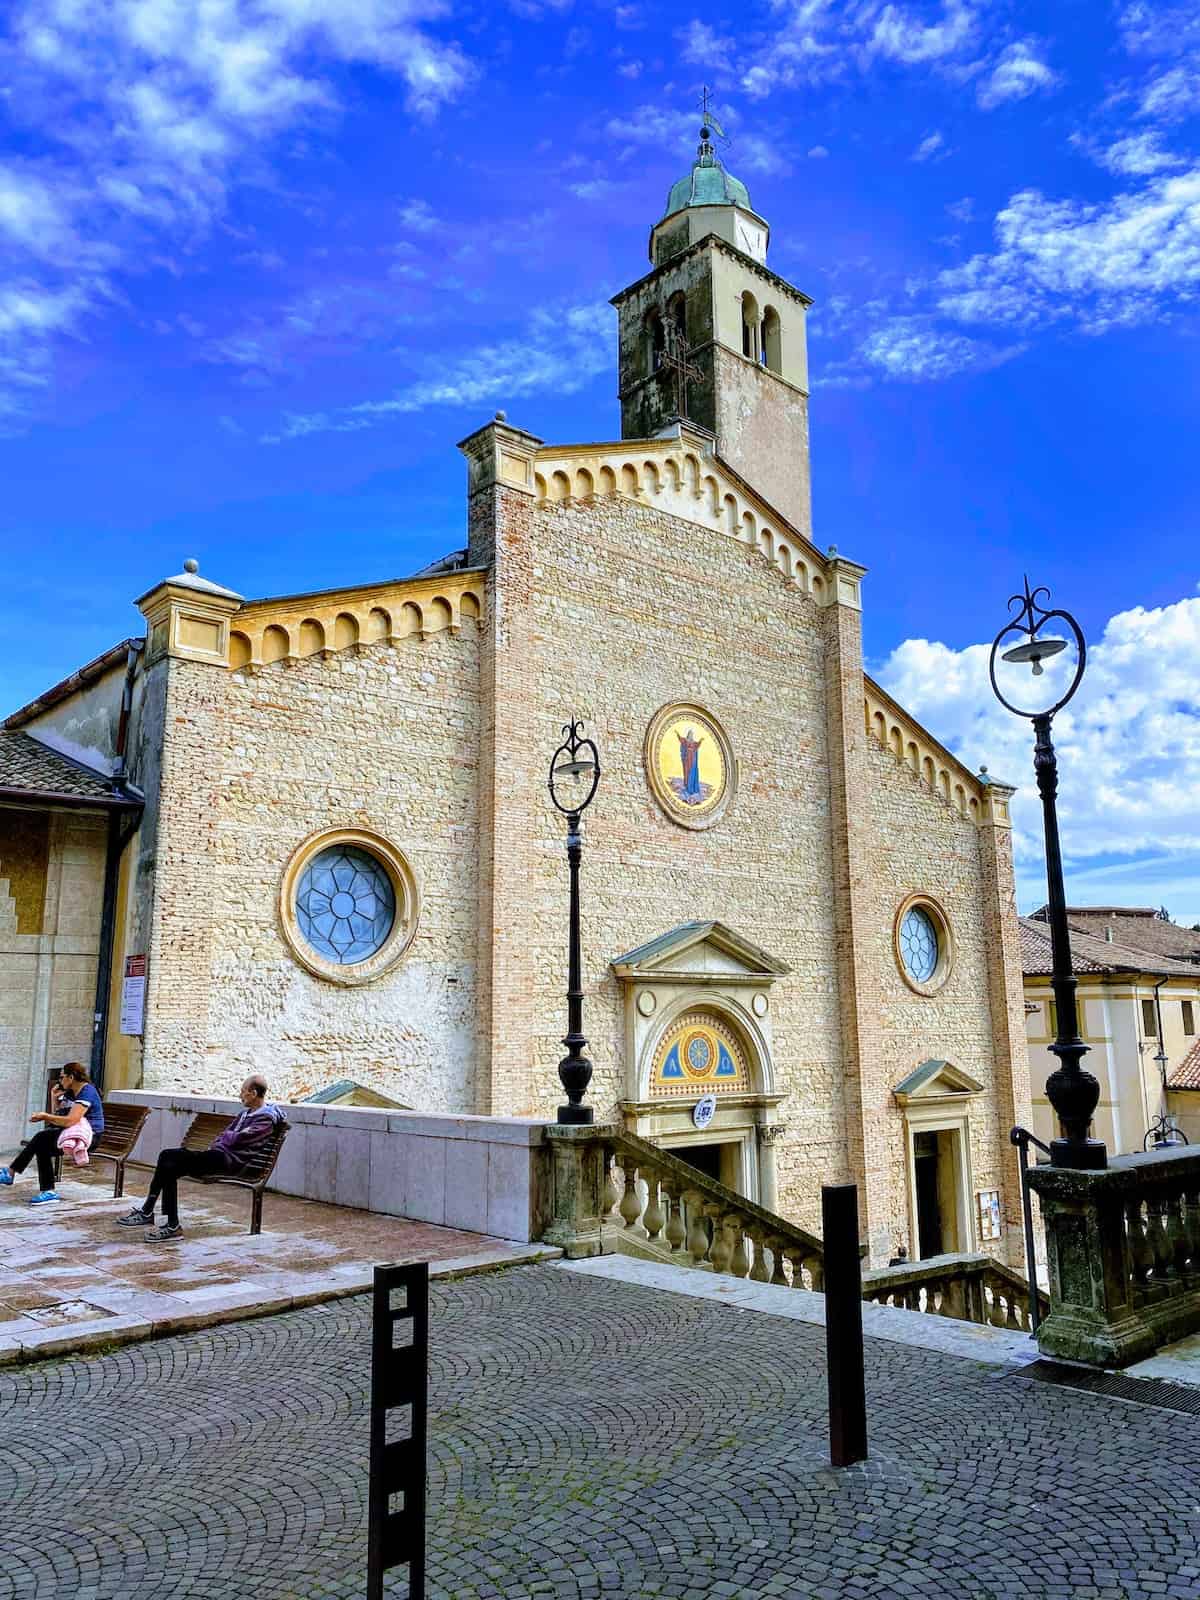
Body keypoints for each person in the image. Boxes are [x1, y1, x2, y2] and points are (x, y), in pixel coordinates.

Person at [116, 1074, 284, 1242]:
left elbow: (237, 1139)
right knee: (168, 1161)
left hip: (229, 1163)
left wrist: (229, 1136)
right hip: (219, 1156)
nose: (240, 1095)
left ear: (253, 1093)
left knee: (169, 1159)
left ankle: (160, 1219)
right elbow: (228, 1135)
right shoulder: (245, 1114)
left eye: (243, 1091)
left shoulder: (265, 1119)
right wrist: (229, 1136)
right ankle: (164, 1220)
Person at [0, 1062, 105, 1205]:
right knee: (42, 1145)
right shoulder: (70, 1092)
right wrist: (54, 1098)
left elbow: (70, 1121)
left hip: (89, 1137)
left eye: (62, 1077)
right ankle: (47, 1191)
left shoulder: (87, 1092)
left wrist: (45, 1116)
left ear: (71, 1077)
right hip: (72, 1133)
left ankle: (12, 1173)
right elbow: (60, 1117)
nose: (60, 1081)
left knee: (41, 1138)